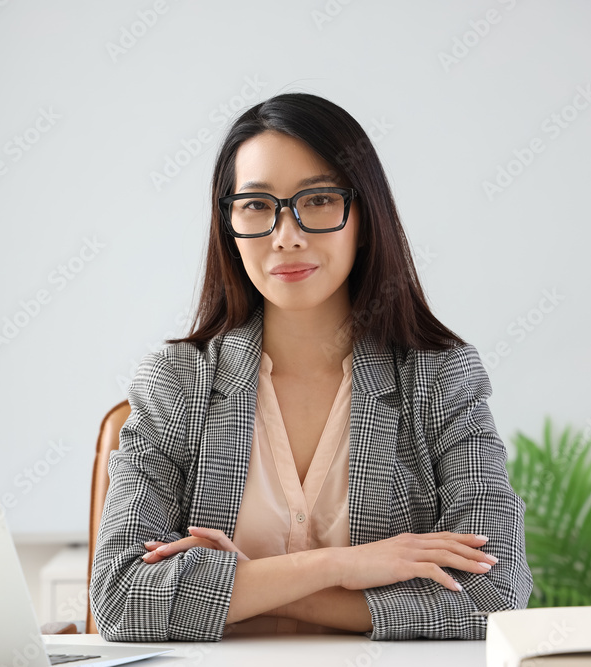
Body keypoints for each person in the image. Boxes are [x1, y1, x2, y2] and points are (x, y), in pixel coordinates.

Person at [89, 92, 532, 642]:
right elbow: (121, 596)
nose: (287, 236)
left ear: (365, 217)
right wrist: (341, 566)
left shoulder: (440, 378)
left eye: (319, 200)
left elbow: (496, 592)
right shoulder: (177, 382)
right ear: (228, 226)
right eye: (256, 206)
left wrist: (252, 587)